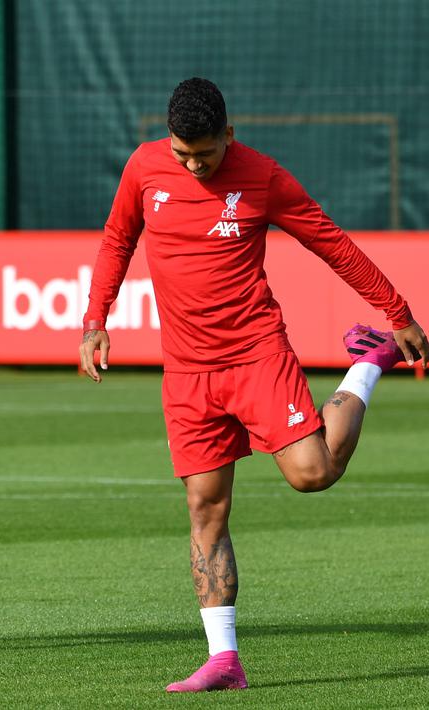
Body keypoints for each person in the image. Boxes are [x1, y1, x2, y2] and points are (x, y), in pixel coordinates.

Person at [79, 77, 428, 692]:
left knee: (311, 474)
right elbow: (116, 239)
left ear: (229, 136)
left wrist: (395, 311)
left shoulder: (263, 176)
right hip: (186, 372)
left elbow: (333, 246)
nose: (193, 166)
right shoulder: (144, 169)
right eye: (183, 154)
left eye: (206, 155)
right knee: (205, 507)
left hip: (255, 353)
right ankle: (224, 660)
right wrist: (94, 320)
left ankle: (367, 364)